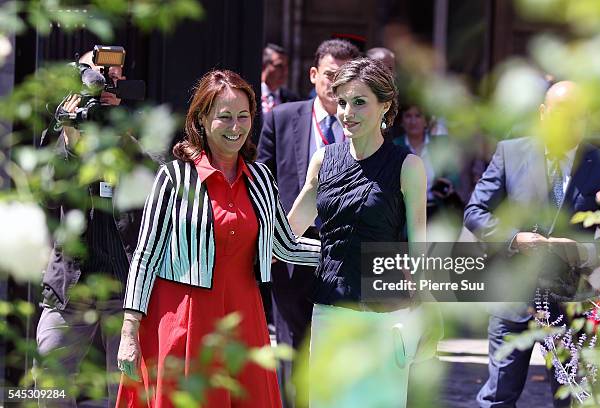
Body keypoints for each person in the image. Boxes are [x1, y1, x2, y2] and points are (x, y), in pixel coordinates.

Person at [115, 69, 321, 408]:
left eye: (243, 116)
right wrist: (129, 332)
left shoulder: (260, 177)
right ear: (201, 120)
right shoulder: (174, 176)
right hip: (185, 317)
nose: (236, 127)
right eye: (224, 117)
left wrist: (341, 253)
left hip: (245, 317)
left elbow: (284, 245)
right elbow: (145, 255)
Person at [287, 57, 432, 407]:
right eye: (342, 102)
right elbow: (288, 229)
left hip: (386, 318)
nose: (347, 112)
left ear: (386, 106)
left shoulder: (408, 167)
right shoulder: (323, 160)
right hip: (330, 311)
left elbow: (420, 249)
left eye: (359, 102)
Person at [465, 80, 600, 407]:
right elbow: (476, 212)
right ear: (543, 114)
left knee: (573, 397)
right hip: (514, 297)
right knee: (499, 395)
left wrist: (584, 250)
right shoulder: (511, 152)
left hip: (574, 298)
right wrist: (514, 238)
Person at [257, 38, 360, 407]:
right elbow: (263, 182)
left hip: (344, 260)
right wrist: (269, 240)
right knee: (291, 349)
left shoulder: (364, 125)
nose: (337, 84)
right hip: (291, 253)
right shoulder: (281, 118)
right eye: (331, 75)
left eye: (346, 77)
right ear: (314, 74)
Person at [35, 50, 138, 408]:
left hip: (124, 285)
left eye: (113, 73)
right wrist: (70, 136)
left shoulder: (136, 124)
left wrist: (119, 133)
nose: (106, 80)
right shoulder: (64, 127)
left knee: (125, 390)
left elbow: (155, 185)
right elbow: (48, 195)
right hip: (71, 283)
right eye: (96, 73)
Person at [393, 104, 463, 218]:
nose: (413, 121)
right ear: (401, 121)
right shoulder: (394, 146)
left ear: (426, 122)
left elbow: (455, 175)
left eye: (418, 116)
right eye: (408, 116)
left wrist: (448, 182)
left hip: (438, 210)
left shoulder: (440, 144)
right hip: (405, 214)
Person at [261, 43, 300, 114]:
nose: (285, 72)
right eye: (279, 66)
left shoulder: (293, 100)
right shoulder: (250, 95)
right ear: (264, 66)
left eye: (286, 66)